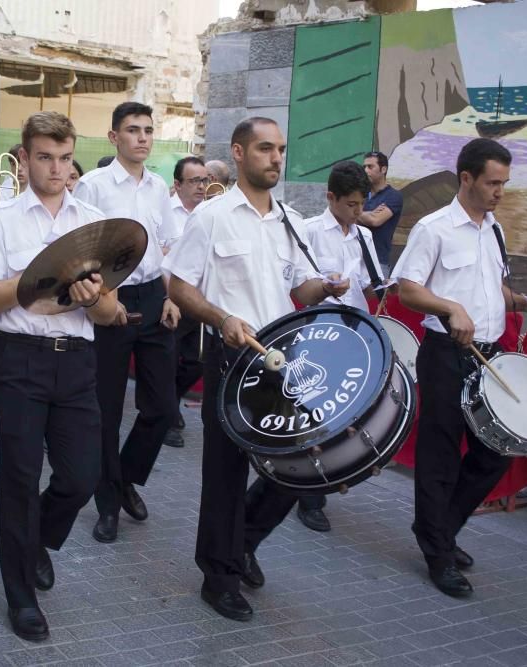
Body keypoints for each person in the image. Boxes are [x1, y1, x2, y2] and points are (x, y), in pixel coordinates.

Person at [165, 116, 349, 621]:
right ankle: (218, 576)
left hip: (283, 361)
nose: (276, 158)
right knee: (224, 475)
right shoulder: (211, 216)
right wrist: (220, 317)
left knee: (299, 469)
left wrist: (324, 288)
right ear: (240, 153)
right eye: (265, 148)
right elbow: (180, 286)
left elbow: (299, 289)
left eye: (281, 149)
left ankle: (243, 540)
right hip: (233, 358)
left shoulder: (287, 218)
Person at [0, 111, 119, 641]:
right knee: (20, 478)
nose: (57, 168)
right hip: (19, 357)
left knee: (81, 477)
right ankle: (20, 596)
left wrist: (93, 295)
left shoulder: (93, 220)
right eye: (45, 157)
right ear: (24, 158)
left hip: (77, 359)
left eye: (64, 156)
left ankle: (36, 542)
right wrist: (44, 278)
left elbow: (107, 313)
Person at [392, 137, 527, 598]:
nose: (500, 191)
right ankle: (437, 550)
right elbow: (408, 289)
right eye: (493, 183)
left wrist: (521, 302)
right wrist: (448, 308)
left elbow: (493, 284)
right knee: (440, 454)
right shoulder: (434, 228)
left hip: (490, 352)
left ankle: (439, 530)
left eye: (504, 183)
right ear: (467, 178)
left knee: (496, 450)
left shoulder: (494, 227)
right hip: (445, 352)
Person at [74, 102, 180, 544]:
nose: (142, 137)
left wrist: (172, 296)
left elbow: (168, 245)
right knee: (108, 409)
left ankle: (126, 478)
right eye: (133, 130)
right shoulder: (93, 187)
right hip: (109, 300)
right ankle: (107, 502)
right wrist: (101, 299)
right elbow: (79, 251)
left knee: (161, 406)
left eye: (148, 130)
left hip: (154, 297)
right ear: (113, 137)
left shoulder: (159, 188)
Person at [279, 160, 382, 534]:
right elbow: (297, 288)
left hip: (355, 334)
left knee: (346, 416)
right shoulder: (308, 232)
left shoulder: (364, 237)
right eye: (352, 205)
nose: (358, 212)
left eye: (362, 205)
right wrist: (325, 286)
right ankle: (309, 496)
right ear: (331, 198)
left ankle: (330, 476)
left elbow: (371, 287)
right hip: (318, 334)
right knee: (315, 417)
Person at [163, 155, 208, 448]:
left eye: (205, 180)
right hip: (172, 299)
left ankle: (172, 401)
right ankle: (168, 419)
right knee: (167, 361)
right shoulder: (166, 212)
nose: (202, 187)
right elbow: (161, 259)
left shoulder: (211, 213)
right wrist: (170, 297)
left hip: (201, 301)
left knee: (195, 363)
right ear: (177, 185)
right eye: (195, 181)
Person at [358, 151, 403, 277]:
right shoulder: (360, 193)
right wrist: (367, 214)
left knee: (374, 297)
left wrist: (355, 212)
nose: (366, 171)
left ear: (383, 169)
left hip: (378, 261)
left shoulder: (394, 196)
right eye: (364, 167)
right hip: (354, 258)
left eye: (370, 167)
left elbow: (375, 221)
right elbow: (346, 218)